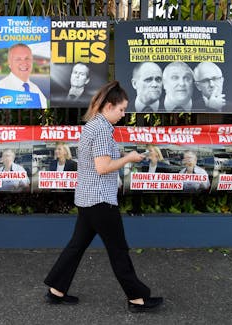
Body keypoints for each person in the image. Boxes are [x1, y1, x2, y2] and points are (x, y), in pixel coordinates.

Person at [44, 81, 163, 312]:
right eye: (121, 109)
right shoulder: (100, 129)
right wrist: (128, 158)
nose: (123, 114)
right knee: (119, 250)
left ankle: (56, 290)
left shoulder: (94, 125)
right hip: (100, 200)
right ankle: (137, 298)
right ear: (109, 106)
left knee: (76, 246)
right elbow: (103, 167)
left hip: (88, 198)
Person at [0, 43, 47, 108]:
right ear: (9, 63)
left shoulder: (36, 90)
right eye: (18, 59)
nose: (24, 63)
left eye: (27, 58)